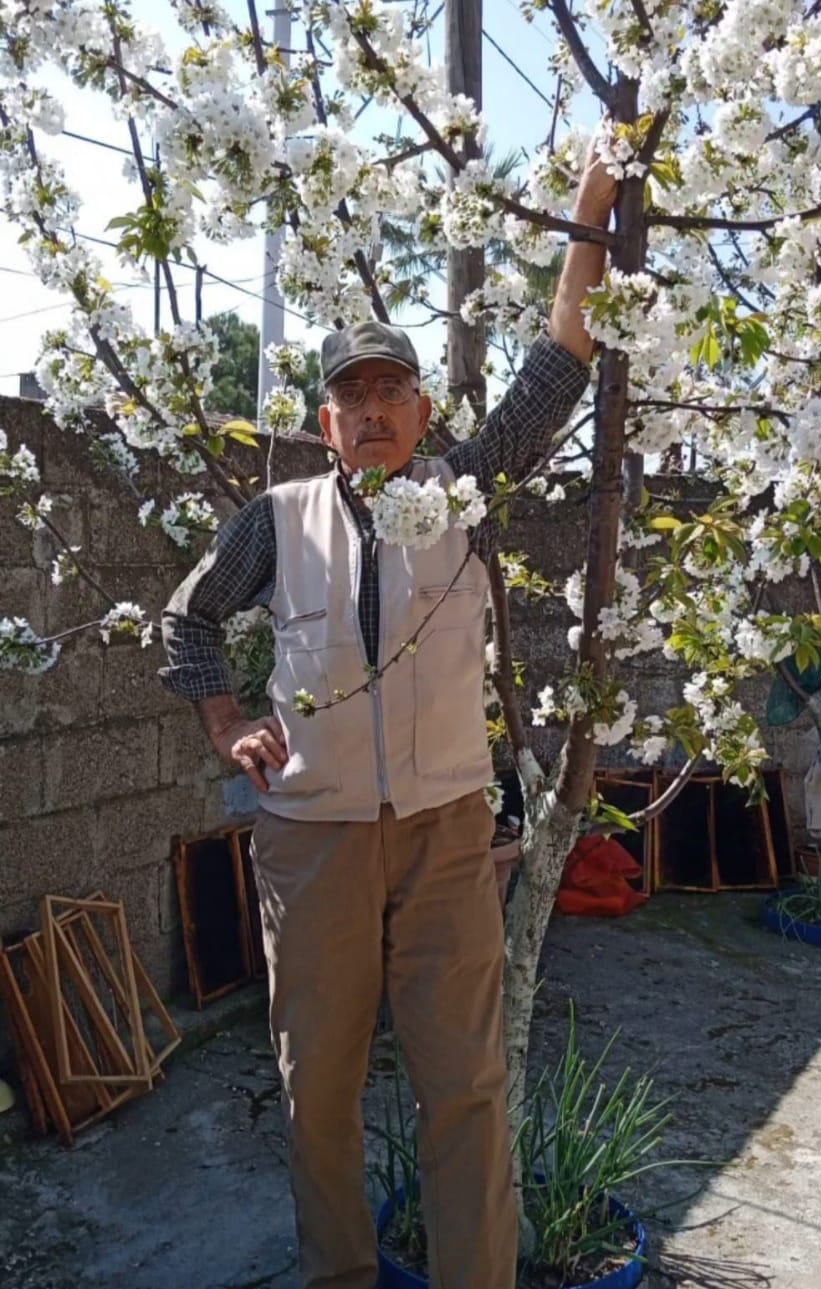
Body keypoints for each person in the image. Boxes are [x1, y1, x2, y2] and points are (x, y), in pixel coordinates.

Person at [161, 145, 615, 1289]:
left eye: (390, 392)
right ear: (326, 420)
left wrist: (592, 208)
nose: (371, 411)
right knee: (317, 1083)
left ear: (423, 410)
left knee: (461, 1081)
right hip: (310, 840)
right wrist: (227, 725)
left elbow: (561, 363)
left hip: (447, 835)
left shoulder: (462, 489)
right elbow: (188, 620)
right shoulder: (276, 517)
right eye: (351, 396)